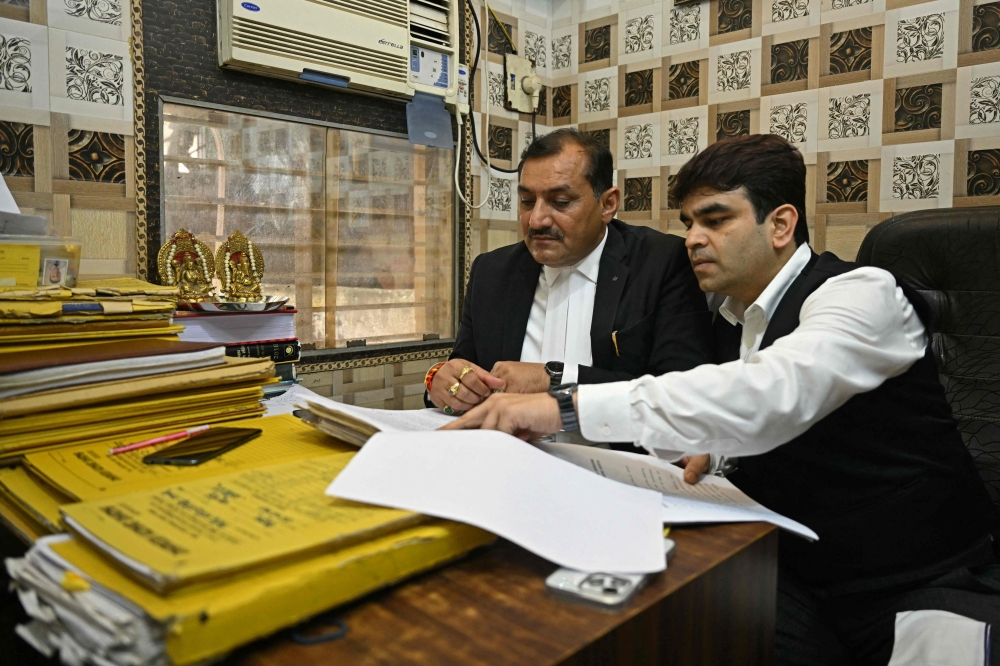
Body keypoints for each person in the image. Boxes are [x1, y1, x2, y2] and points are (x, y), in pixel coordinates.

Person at [445, 134, 1000, 664]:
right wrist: (713, 450)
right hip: (791, 574)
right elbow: (730, 408)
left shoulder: (863, 294)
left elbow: (774, 393)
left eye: (715, 220)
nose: (692, 239)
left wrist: (562, 404)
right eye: (689, 223)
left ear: (780, 224)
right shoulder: (731, 322)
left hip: (919, 582)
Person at [427, 128, 714, 423]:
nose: (536, 220)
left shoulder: (661, 262)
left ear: (608, 204)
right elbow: (462, 373)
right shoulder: (492, 272)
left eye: (561, 202)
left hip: (608, 459)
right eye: (527, 201)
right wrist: (441, 382)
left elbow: (681, 391)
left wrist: (557, 378)